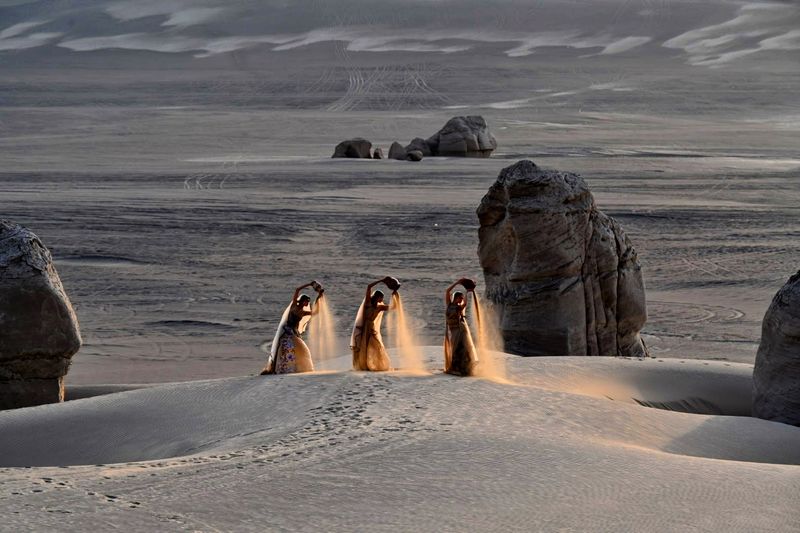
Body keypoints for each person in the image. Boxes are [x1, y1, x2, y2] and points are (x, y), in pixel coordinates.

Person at [261, 281, 324, 375]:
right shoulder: (294, 305)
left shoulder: (303, 312)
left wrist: (319, 297)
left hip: (294, 332)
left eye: (308, 302)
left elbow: (316, 312)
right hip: (287, 331)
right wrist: (309, 284)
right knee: (287, 348)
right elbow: (297, 290)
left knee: (300, 349)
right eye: (306, 301)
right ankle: (283, 368)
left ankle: (296, 368)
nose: (307, 303)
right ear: (302, 301)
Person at [351, 277, 399, 371]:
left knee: (376, 344)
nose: (382, 300)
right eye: (381, 298)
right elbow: (369, 287)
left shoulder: (380, 307)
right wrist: (381, 281)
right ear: (377, 297)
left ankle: (377, 364)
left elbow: (394, 307)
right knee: (363, 347)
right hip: (365, 328)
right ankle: (364, 365)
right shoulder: (368, 303)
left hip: (371, 328)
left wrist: (395, 295)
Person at [444, 278, 479, 376]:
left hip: (460, 330)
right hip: (453, 330)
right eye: (460, 298)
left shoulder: (459, 307)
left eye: (462, 298)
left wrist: (467, 292)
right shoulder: (449, 304)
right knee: (454, 348)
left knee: (461, 348)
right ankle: (455, 368)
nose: (461, 300)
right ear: (456, 298)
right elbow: (447, 291)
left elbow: (465, 304)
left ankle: (463, 369)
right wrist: (457, 283)